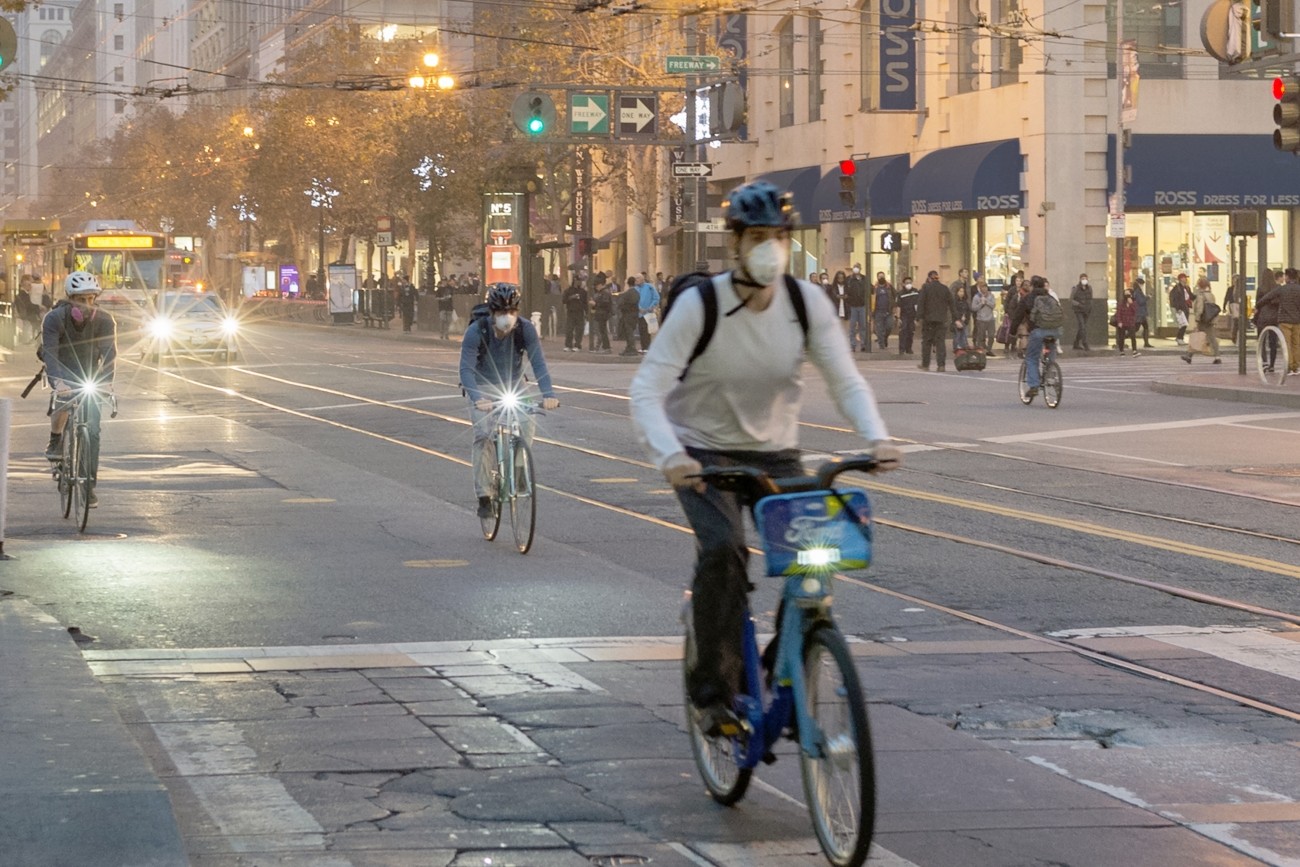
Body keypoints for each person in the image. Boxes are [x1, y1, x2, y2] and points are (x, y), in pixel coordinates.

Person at [628, 181, 900, 737]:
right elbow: (646, 389)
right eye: (756, 237)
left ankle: (789, 680)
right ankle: (714, 695)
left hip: (777, 456)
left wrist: (877, 437)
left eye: (778, 237)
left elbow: (845, 380)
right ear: (735, 244)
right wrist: (671, 455)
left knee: (814, 563)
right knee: (725, 552)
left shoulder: (806, 303)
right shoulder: (701, 307)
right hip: (702, 454)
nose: (768, 248)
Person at [459, 283, 560, 518]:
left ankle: (518, 469)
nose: (508, 317)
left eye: (512, 312)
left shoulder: (525, 329)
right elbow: (465, 369)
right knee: (483, 435)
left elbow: (538, 362)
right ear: (492, 312)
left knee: (527, 424)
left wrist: (548, 394)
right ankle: (484, 495)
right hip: (482, 385)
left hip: (514, 383)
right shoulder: (476, 330)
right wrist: (477, 398)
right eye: (502, 312)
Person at [42, 271, 117, 508]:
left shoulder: (104, 319)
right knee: (63, 403)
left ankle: (89, 487)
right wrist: (59, 383)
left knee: (93, 431)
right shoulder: (54, 318)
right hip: (63, 372)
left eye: (90, 299)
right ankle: (55, 441)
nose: (86, 305)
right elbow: (50, 354)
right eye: (80, 299)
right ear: (69, 298)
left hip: (89, 375)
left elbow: (109, 354)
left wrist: (106, 381)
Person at [1011, 275, 1060, 398]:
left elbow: (1017, 316)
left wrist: (1012, 331)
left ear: (1032, 286)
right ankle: (1051, 373)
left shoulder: (1028, 298)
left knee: (1031, 358)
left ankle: (1034, 385)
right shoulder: (1050, 297)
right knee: (1050, 355)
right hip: (1054, 331)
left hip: (1038, 331)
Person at [1255, 267, 1300, 375]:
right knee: (1296, 343)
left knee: (1287, 343)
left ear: (1287, 277)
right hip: (1297, 320)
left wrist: (1258, 305)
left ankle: (1289, 367)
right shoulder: (1299, 289)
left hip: (1284, 319)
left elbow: (1267, 298)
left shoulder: (1282, 289)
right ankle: (1296, 366)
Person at [917, 269, 955, 371]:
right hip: (941, 320)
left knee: (926, 342)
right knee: (940, 343)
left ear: (929, 278)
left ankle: (925, 365)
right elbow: (952, 304)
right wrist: (956, 318)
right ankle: (941, 365)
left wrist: (918, 317)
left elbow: (921, 303)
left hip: (928, 320)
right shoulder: (944, 288)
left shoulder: (926, 288)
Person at [1181, 277, 1222, 364]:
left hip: (1203, 320)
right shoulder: (1211, 295)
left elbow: (1200, 308)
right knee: (1211, 338)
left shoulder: (1200, 296)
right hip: (1210, 319)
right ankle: (1217, 356)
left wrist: (1197, 319)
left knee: (1196, 337)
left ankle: (1189, 355)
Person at [969, 279, 998, 355]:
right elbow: (973, 308)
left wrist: (986, 301)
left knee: (991, 335)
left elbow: (993, 305)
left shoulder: (991, 295)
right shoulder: (976, 297)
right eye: (982, 287)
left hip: (990, 319)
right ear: (980, 288)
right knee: (981, 336)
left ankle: (989, 349)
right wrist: (981, 304)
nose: (984, 289)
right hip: (981, 319)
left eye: (985, 287)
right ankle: (981, 350)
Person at [563, 271, 588, 352]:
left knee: (579, 330)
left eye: (580, 281)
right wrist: (571, 297)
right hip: (571, 312)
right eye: (578, 281)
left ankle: (577, 345)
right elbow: (564, 300)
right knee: (569, 329)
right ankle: (568, 345)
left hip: (580, 312)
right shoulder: (568, 291)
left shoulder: (583, 292)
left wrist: (587, 313)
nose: (579, 283)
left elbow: (585, 303)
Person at [636, 272, 661, 352]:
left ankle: (648, 347)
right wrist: (639, 308)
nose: (636, 280)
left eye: (638, 279)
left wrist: (651, 306)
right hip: (639, 313)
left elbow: (656, 297)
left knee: (648, 330)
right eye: (636, 279)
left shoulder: (649, 287)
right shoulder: (636, 289)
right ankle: (643, 347)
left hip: (648, 313)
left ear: (642, 279)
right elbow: (635, 300)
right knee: (641, 330)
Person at [846, 265, 868, 352]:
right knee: (852, 326)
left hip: (862, 305)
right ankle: (852, 345)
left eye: (857, 267)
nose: (856, 269)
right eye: (855, 267)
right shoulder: (849, 279)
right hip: (852, 306)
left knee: (863, 326)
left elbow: (870, 289)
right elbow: (846, 291)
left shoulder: (864, 279)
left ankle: (863, 344)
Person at [871, 272, 894, 350]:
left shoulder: (889, 287)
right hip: (878, 312)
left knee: (889, 326)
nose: (881, 278)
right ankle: (881, 344)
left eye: (882, 276)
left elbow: (895, 295)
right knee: (879, 329)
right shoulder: (874, 288)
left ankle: (885, 338)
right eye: (879, 277)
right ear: (877, 278)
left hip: (888, 311)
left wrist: (894, 307)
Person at [896, 276, 919, 355]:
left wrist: (917, 317)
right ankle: (901, 349)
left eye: (910, 282)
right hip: (904, 315)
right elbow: (898, 306)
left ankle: (909, 348)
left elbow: (917, 304)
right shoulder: (900, 293)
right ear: (903, 284)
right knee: (903, 331)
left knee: (911, 332)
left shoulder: (915, 292)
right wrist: (898, 318)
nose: (908, 284)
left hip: (912, 315)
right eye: (907, 283)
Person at [1114, 286, 1139, 356]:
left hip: (1131, 322)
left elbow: (1135, 311)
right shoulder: (1121, 303)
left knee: (1133, 336)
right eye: (1126, 294)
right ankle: (1121, 350)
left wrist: (1131, 304)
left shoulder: (1133, 302)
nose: (1127, 296)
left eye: (1128, 294)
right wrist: (1119, 321)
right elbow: (1118, 313)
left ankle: (1134, 350)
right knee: (1121, 336)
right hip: (1123, 322)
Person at [1069, 273, 1092, 351]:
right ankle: (1085, 343)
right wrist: (1078, 304)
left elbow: (1090, 299)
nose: (1084, 280)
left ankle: (1076, 343)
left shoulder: (1089, 288)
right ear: (1080, 279)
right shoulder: (1076, 288)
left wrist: (1089, 308)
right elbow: (1071, 299)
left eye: (1085, 279)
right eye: (1082, 279)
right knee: (1082, 326)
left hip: (1086, 310)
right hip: (1078, 310)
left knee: (1082, 328)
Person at [590, 275, 613, 353]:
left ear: (600, 285)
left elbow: (605, 303)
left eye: (596, 285)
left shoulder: (605, 292)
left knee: (602, 331)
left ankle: (606, 347)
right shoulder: (601, 292)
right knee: (601, 331)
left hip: (602, 313)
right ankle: (605, 347)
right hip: (600, 313)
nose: (596, 287)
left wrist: (595, 304)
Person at [1169, 272, 1192, 345]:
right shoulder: (1177, 288)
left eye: (1185, 278)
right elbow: (1173, 298)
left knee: (1184, 323)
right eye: (1183, 278)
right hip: (1181, 308)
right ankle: (1179, 338)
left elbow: (1190, 295)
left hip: (1186, 307)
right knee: (1183, 323)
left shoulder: (1187, 287)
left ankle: (1179, 337)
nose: (1185, 279)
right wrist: (1177, 308)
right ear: (1180, 279)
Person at [1131, 275, 1152, 348]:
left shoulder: (1138, 291)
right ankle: (1124, 337)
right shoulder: (1137, 292)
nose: (1143, 285)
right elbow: (1140, 301)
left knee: (1145, 327)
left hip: (1141, 313)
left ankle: (1146, 342)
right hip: (1140, 313)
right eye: (1142, 284)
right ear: (1139, 284)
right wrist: (1147, 298)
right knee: (1136, 327)